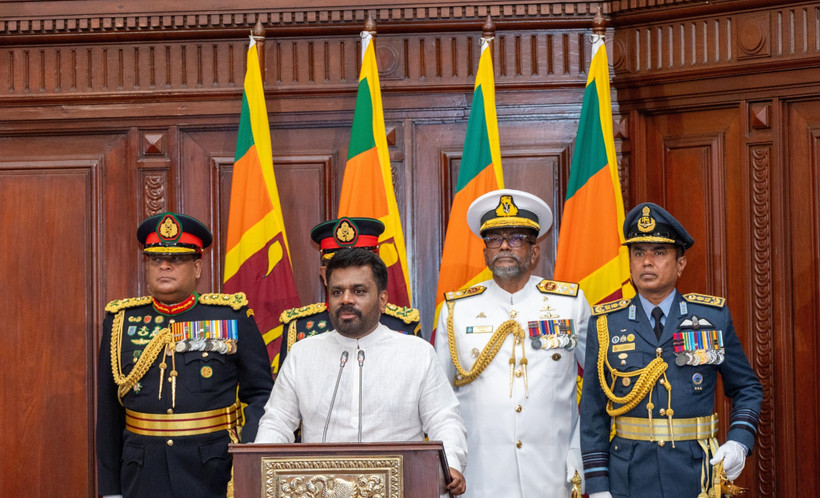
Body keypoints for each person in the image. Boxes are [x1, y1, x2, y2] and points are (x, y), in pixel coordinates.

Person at [580, 202, 763, 498]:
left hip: (695, 475)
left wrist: (739, 442)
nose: (647, 262)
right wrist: (598, 486)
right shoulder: (605, 324)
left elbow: (747, 388)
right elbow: (592, 412)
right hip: (628, 477)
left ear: (681, 264)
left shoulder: (711, 317)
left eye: (659, 253)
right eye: (638, 253)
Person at [256, 248, 467, 496]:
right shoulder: (303, 354)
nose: (346, 299)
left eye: (359, 291)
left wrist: (451, 464)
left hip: (402, 487)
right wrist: (261, 468)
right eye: (337, 291)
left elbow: (444, 419)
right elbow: (277, 422)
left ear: (383, 299)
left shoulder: (416, 353)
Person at [96, 212, 274, 498]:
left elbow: (262, 394)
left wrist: (245, 455)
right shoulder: (120, 321)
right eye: (155, 260)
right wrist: (111, 489)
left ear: (197, 267)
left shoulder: (231, 317)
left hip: (213, 470)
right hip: (142, 472)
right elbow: (108, 410)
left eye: (176, 259)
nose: (164, 266)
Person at [434, 189, 591, 497]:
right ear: (485, 253)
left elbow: (600, 386)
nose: (504, 246)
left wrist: (578, 452)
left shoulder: (569, 304)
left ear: (535, 252)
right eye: (494, 239)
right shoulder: (456, 309)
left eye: (516, 238)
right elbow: (441, 400)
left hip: (552, 475)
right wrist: (450, 461)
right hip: (479, 476)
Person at [278, 217, 421, 371]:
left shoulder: (401, 324)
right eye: (338, 267)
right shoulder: (299, 327)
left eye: (359, 290)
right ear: (325, 275)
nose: (347, 299)